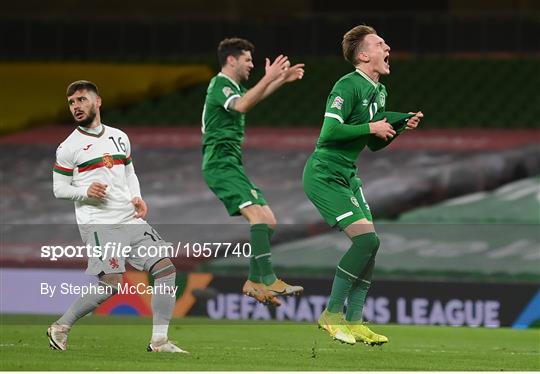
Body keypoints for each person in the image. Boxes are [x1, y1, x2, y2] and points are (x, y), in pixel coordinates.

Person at [302, 25, 424, 345]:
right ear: (364, 55)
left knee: (371, 245)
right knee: (366, 242)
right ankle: (331, 315)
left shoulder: (379, 91)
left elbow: (373, 143)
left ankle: (355, 321)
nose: (388, 47)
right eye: (380, 43)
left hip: (347, 174)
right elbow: (329, 133)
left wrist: (398, 127)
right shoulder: (348, 84)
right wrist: (373, 124)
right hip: (324, 174)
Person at [47, 80, 187, 353]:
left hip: (130, 218)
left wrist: (137, 196)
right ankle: (60, 327)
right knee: (111, 284)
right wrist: (85, 191)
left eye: (82, 100)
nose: (76, 106)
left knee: (166, 269)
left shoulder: (119, 136)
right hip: (99, 223)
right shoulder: (68, 147)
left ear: (97, 101)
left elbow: (129, 172)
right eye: (72, 103)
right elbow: (58, 189)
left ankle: (159, 341)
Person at [201, 38, 305, 305]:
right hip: (219, 163)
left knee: (268, 220)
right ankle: (269, 280)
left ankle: (254, 282)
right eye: (247, 60)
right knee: (259, 219)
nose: (251, 65)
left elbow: (248, 98)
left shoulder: (233, 87)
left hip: (231, 163)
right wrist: (270, 77)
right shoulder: (220, 84)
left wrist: (279, 80)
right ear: (231, 60)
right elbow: (243, 105)